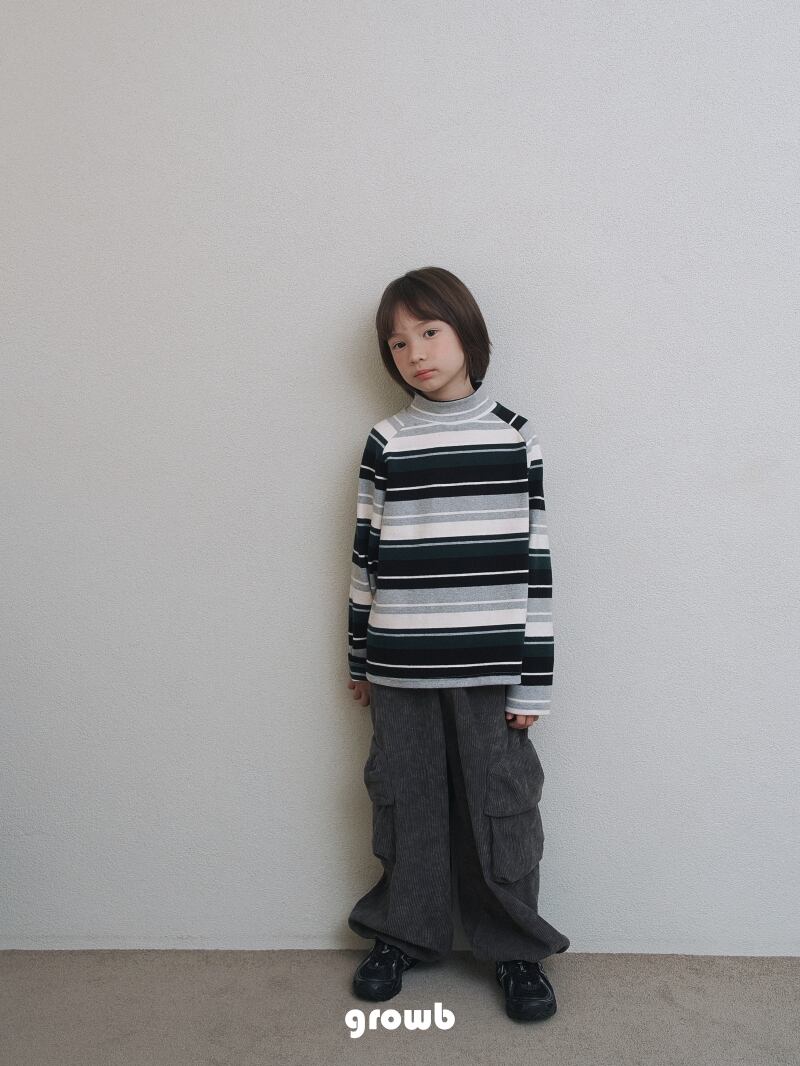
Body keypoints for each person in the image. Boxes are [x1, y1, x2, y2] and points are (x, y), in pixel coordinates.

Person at [345, 266, 569, 1023]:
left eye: (429, 332)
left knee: (502, 809)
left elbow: (537, 567)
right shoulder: (388, 441)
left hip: (490, 669)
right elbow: (365, 557)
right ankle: (402, 934)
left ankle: (514, 949)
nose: (415, 352)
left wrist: (532, 682)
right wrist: (359, 658)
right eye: (397, 342)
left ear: (467, 333)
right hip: (400, 666)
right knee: (405, 805)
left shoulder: (514, 437)